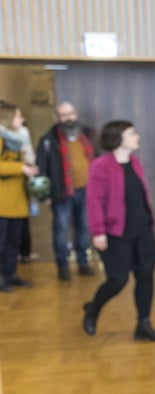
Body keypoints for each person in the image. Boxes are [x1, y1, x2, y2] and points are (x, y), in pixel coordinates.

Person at [82, 120, 155, 341]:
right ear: (118, 138)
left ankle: (143, 324)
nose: (137, 136)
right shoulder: (100, 166)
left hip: (142, 229)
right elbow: (94, 201)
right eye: (132, 133)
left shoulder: (136, 163)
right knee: (118, 280)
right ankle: (93, 308)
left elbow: (138, 197)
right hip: (115, 232)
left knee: (146, 274)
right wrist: (98, 231)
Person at [36, 101, 97, 280]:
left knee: (84, 228)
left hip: (87, 190)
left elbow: (98, 159)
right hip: (61, 193)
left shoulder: (88, 134)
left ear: (75, 114)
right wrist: (44, 195)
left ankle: (83, 262)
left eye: (70, 114)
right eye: (63, 115)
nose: (67, 118)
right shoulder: (48, 139)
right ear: (57, 117)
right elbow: (41, 168)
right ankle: (62, 266)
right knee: (61, 229)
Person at [0, 102, 40, 292]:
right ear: (7, 118)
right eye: (18, 116)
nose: (22, 119)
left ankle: (11, 274)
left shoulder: (18, 139)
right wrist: (21, 168)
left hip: (17, 199)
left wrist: (30, 168)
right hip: (2, 201)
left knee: (13, 242)